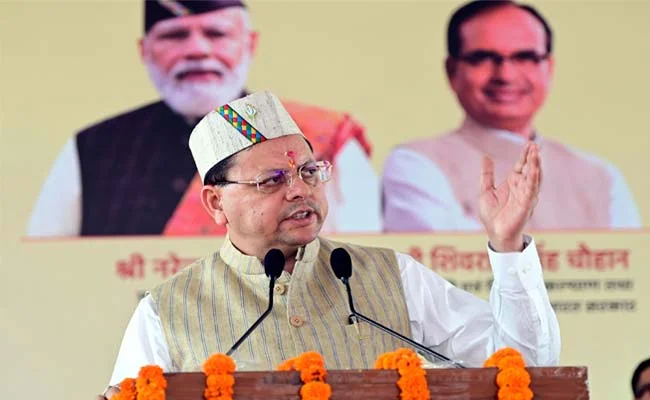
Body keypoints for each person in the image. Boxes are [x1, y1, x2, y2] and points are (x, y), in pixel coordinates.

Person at [97, 90, 560, 398]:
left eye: (308, 172)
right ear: (216, 203)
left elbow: (524, 366)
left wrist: (507, 245)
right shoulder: (166, 312)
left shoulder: (390, 276)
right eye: (272, 180)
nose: (299, 190)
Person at [27, 0, 380, 238]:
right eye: (174, 35)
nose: (197, 50)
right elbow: (49, 264)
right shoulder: (93, 147)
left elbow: (361, 253)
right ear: (144, 51)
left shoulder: (316, 134)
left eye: (216, 34)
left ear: (250, 44)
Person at [381, 0, 642, 232]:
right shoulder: (416, 165)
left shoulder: (601, 178)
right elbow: (436, 265)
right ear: (452, 71)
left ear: (549, 68)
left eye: (525, 57)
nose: (505, 75)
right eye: (483, 58)